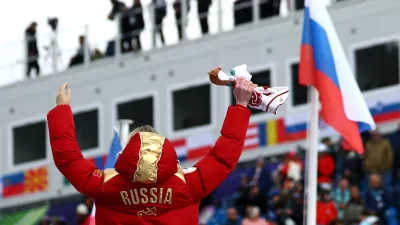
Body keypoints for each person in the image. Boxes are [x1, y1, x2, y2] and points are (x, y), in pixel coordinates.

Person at [47, 76, 257, 224]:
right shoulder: (189, 185)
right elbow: (223, 157)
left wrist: (61, 110)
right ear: (162, 149)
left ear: (126, 153)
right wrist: (240, 105)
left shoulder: (104, 185)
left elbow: (68, 160)